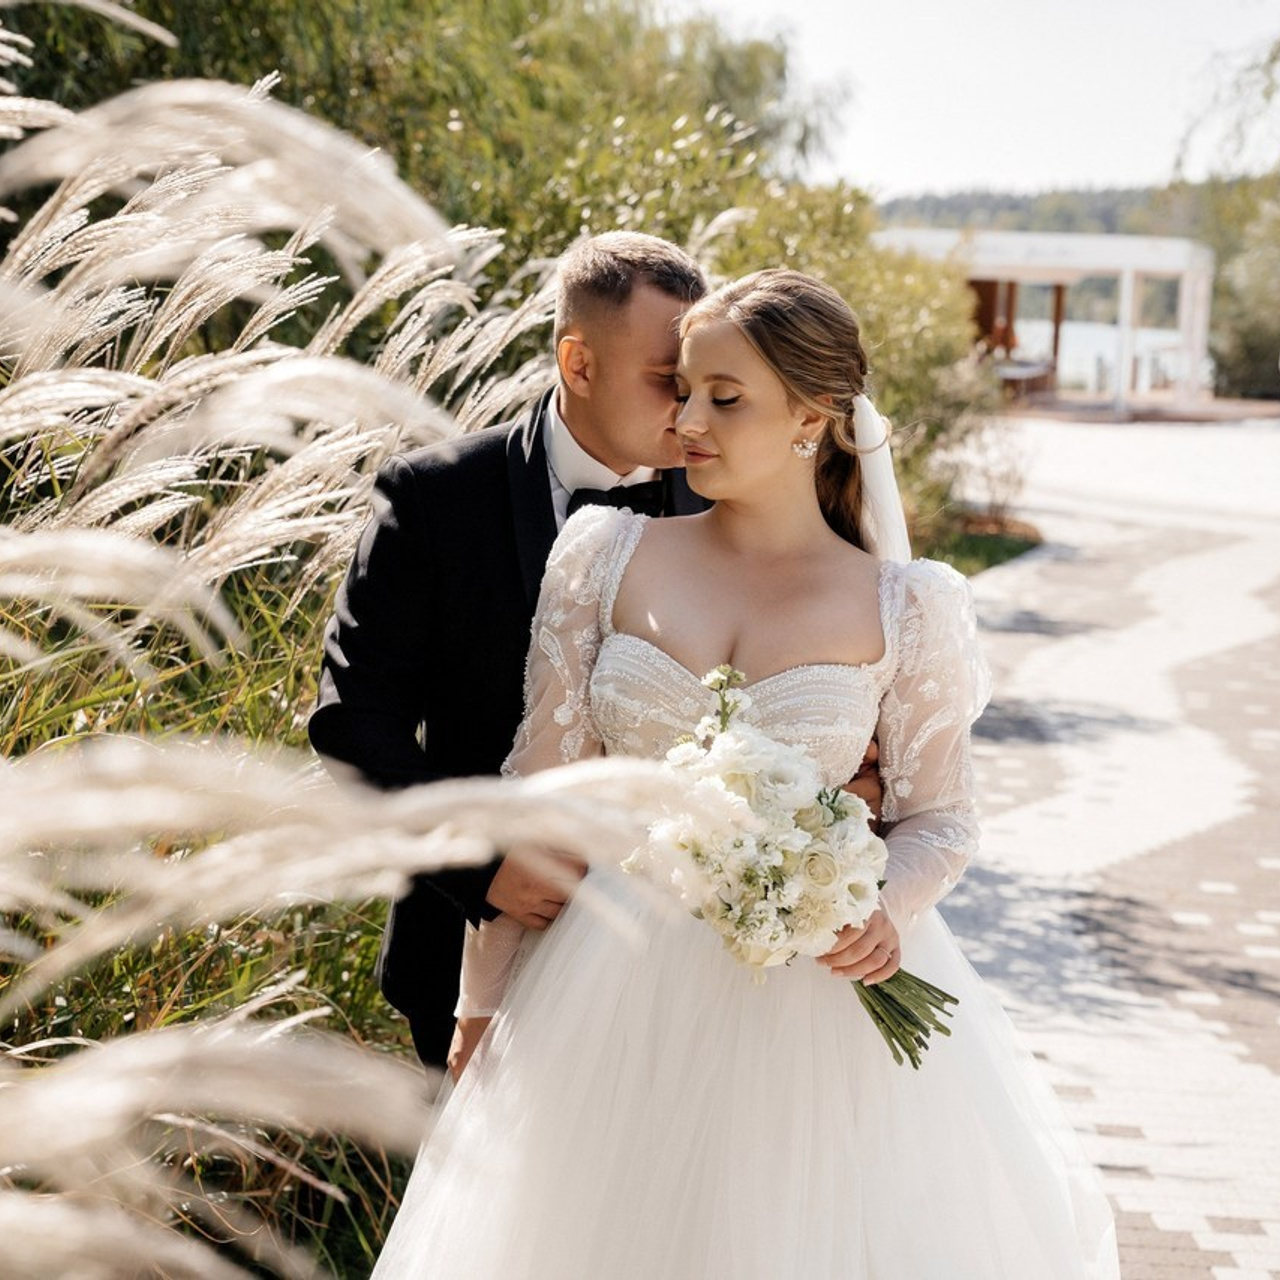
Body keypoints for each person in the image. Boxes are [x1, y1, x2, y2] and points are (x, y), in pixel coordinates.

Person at [370, 269, 1120, 1278]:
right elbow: (537, 795)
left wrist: (881, 905)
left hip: (817, 1020)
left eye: (724, 398)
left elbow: (941, 816)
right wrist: (477, 1008)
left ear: (811, 415)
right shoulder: (602, 552)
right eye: (682, 390)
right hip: (600, 1005)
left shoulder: (907, 604)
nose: (686, 420)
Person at [308, 233, 712, 1070]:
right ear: (579, 361)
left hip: (679, 968)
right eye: (667, 380)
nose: (691, 407)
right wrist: (483, 862)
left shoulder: (726, 496)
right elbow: (353, 728)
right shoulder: (431, 498)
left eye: (703, 381)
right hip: (473, 952)